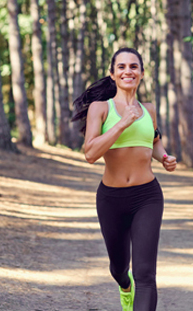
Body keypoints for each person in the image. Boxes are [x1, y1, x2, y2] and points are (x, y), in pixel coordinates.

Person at [72, 47, 177, 311]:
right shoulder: (101, 109)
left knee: (146, 274)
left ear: (141, 73)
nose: (127, 71)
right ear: (112, 74)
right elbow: (90, 153)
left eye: (133, 66)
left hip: (147, 197)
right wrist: (122, 123)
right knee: (119, 268)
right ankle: (124, 285)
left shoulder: (149, 109)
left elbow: (154, 141)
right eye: (121, 67)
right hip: (111, 199)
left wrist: (164, 157)